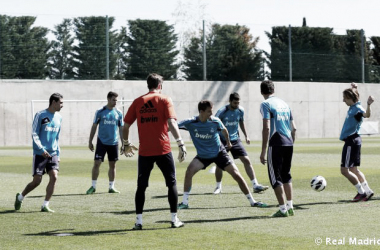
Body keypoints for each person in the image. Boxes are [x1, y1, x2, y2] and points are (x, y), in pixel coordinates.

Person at [122, 73, 187, 230]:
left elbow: (125, 126)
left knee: (141, 186)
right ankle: (174, 219)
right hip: (163, 149)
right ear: (160, 86)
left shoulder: (138, 101)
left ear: (148, 85)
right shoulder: (165, 99)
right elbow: (171, 122)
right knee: (171, 183)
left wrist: (126, 143)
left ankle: (138, 222)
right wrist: (180, 143)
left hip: (145, 151)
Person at [178, 100, 267, 209]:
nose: (211, 114)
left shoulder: (215, 121)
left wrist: (228, 142)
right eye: (209, 111)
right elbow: (173, 126)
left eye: (212, 111)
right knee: (189, 171)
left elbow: (224, 130)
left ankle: (253, 201)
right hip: (203, 156)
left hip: (219, 153)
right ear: (201, 112)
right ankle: (185, 202)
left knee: (237, 175)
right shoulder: (190, 122)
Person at [14, 93, 64, 213]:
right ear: (53, 102)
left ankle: (45, 205)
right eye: (60, 102)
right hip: (40, 154)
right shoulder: (40, 115)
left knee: (54, 177)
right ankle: (20, 197)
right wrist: (42, 150)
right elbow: (34, 134)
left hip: (53, 154)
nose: (62, 105)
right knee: (37, 181)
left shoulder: (59, 118)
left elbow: (57, 138)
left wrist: (58, 153)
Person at [213, 92, 269, 195]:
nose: (236, 105)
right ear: (229, 102)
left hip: (235, 139)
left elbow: (241, 122)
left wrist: (246, 135)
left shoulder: (240, 110)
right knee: (220, 164)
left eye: (238, 103)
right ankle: (218, 187)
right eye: (234, 103)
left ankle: (255, 185)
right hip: (222, 139)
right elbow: (213, 122)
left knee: (246, 160)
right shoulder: (222, 111)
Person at [259, 80, 296, 217]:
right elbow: (294, 128)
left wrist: (263, 151)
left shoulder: (265, 104)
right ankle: (290, 206)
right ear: (273, 90)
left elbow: (267, 127)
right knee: (286, 174)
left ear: (262, 92)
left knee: (276, 177)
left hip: (276, 142)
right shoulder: (285, 104)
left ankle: (282, 209)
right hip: (289, 142)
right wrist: (292, 143)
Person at [340, 83, 374, 202]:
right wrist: (355, 88)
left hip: (351, 141)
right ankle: (368, 191)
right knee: (354, 170)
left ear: (349, 98)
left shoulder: (357, 109)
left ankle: (361, 192)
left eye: (344, 98)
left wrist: (369, 105)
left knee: (344, 170)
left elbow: (367, 115)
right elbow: (355, 97)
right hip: (354, 140)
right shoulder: (353, 106)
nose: (343, 100)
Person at [86, 91, 124, 194]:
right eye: (114, 100)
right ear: (108, 99)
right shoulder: (100, 111)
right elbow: (94, 126)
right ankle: (93, 186)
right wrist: (90, 141)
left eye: (116, 100)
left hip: (114, 143)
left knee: (113, 165)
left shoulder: (119, 113)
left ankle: (111, 187)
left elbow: (121, 129)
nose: (115, 102)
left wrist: (123, 142)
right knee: (97, 163)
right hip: (102, 142)